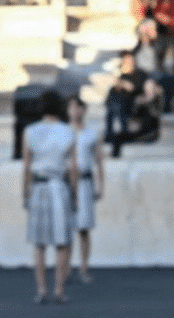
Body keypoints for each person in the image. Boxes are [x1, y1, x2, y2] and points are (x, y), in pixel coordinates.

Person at [22, 90, 77, 305]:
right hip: (59, 187)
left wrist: (24, 193)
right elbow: (73, 167)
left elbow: (26, 166)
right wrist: (74, 194)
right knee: (62, 242)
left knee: (39, 243)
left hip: (39, 186)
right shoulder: (67, 131)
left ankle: (42, 289)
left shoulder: (30, 131)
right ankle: (59, 289)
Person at [68, 96, 103, 285]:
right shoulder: (64, 132)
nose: (76, 111)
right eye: (72, 108)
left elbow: (98, 161)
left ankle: (83, 268)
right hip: (68, 183)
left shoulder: (91, 133)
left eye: (79, 108)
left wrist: (100, 185)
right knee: (67, 228)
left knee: (84, 229)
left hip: (85, 183)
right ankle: (65, 268)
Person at [104, 50, 147, 152]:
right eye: (126, 60)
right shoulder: (121, 74)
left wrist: (123, 83)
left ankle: (115, 136)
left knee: (116, 108)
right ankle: (113, 135)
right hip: (117, 103)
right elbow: (114, 90)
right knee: (113, 108)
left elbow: (134, 88)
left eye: (130, 60)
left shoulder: (139, 74)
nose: (128, 62)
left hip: (130, 102)